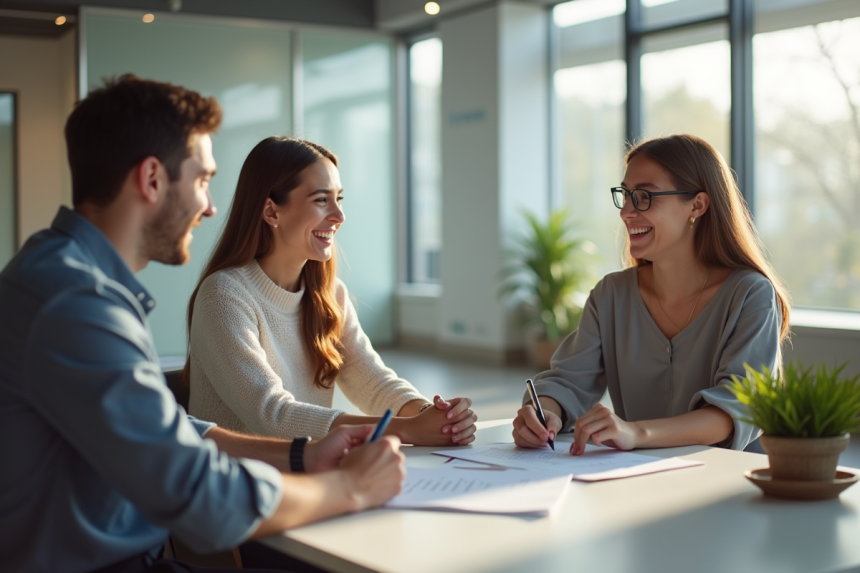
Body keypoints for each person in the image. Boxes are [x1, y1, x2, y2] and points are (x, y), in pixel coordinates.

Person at [0, 75, 405, 573]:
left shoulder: (64, 277)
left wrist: (302, 455)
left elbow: (171, 430)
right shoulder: (74, 302)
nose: (210, 206)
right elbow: (201, 498)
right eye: (201, 180)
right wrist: (351, 487)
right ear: (151, 179)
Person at [184, 137, 478, 446]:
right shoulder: (223, 296)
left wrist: (435, 417)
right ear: (272, 212)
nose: (339, 216)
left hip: (308, 471)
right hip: (237, 483)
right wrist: (405, 429)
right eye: (321, 200)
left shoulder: (329, 294)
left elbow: (375, 384)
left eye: (339, 199)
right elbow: (271, 414)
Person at [512, 134, 790, 454]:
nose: (626, 212)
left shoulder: (750, 295)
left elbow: (734, 411)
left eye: (644, 196)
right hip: (637, 480)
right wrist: (546, 412)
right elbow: (566, 381)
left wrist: (635, 433)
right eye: (626, 195)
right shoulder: (611, 295)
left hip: (725, 484)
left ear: (697, 205)